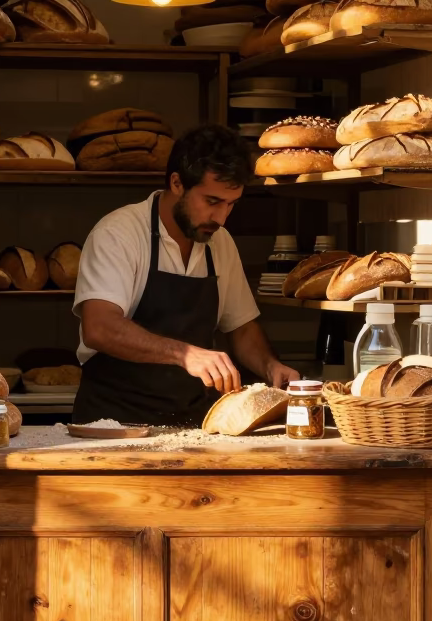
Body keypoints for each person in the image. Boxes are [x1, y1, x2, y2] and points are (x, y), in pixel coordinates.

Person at [71, 124, 299, 427]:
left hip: (193, 423)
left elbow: (240, 327)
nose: (221, 218)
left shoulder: (220, 242)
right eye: (212, 201)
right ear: (177, 183)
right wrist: (185, 354)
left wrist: (270, 366)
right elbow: (99, 327)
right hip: (113, 424)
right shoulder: (119, 233)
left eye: (231, 204)